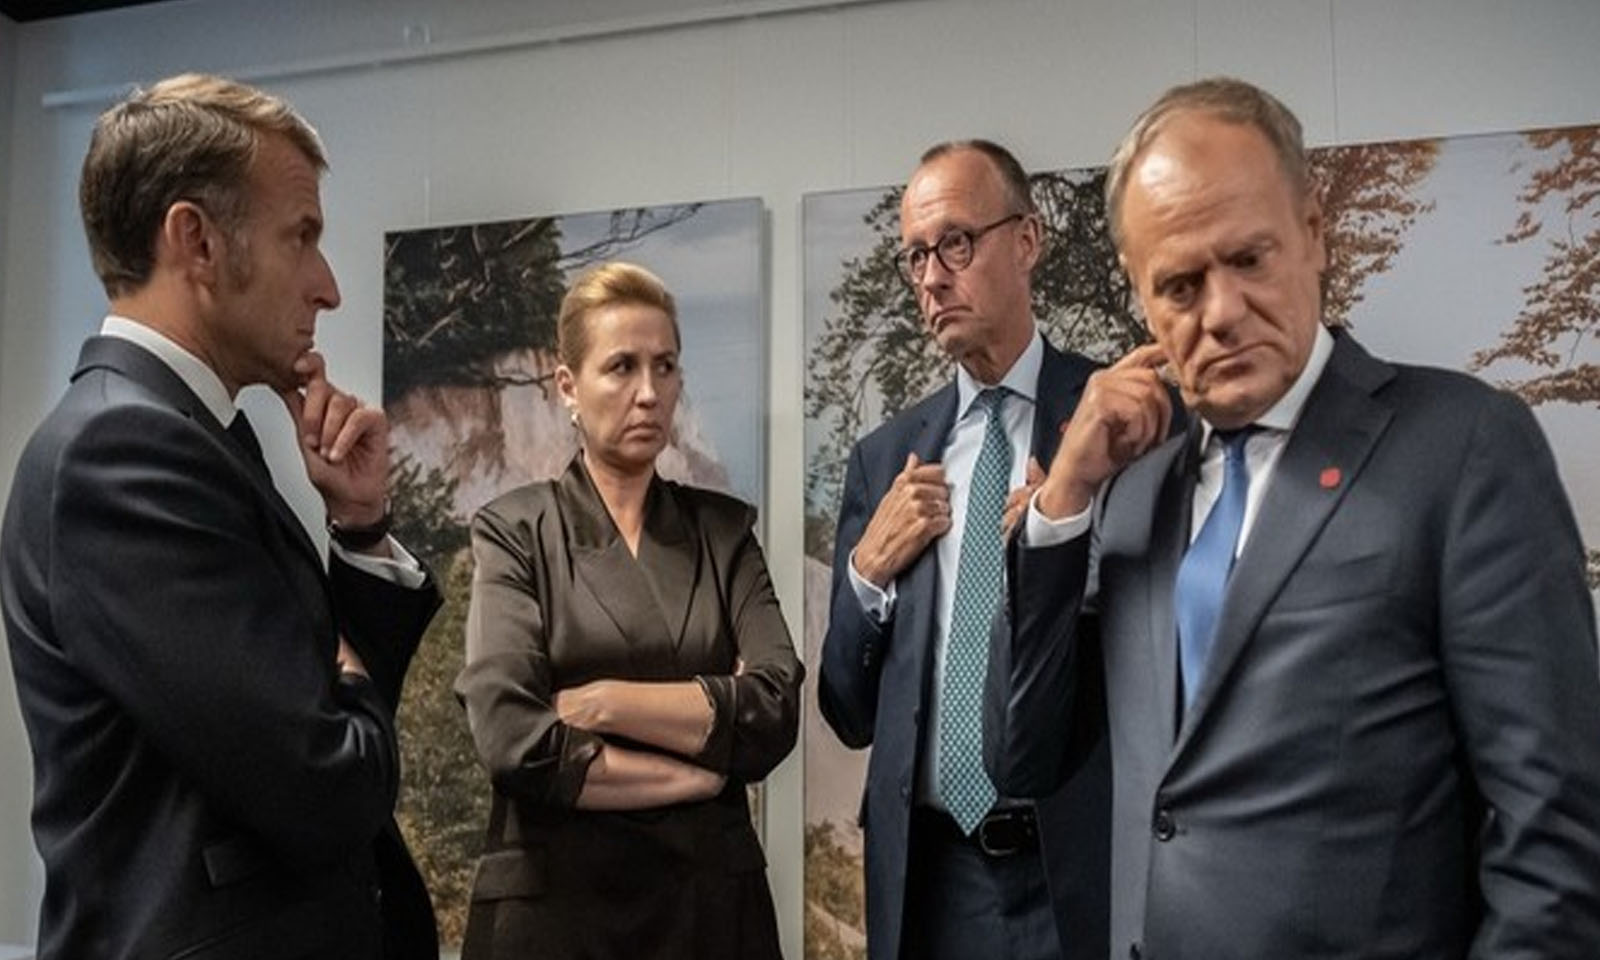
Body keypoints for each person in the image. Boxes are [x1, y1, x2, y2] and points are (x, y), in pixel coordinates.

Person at [986, 76, 1600, 959]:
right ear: (1140, 294)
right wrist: (1062, 501)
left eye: (1249, 260)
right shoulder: (1130, 483)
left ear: (1313, 231)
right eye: (1181, 285)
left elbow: (1556, 836)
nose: (1223, 313)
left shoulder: (1464, 447)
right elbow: (1022, 757)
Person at [0, 74, 443, 960]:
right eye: (302, 236)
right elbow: (328, 786)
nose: (327, 287)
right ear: (196, 241)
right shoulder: (120, 450)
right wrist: (339, 685)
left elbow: (312, 734)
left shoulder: (190, 438)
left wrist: (358, 529)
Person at [817, 140, 1114, 960]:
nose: (931, 278)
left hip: (1077, 870)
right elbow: (844, 710)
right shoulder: (885, 459)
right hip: (931, 886)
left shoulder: (1108, 418)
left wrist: (1067, 535)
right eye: (916, 256)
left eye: (954, 243)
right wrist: (867, 574)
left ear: (1027, 240)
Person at [455, 261, 802, 960]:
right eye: (621, 367)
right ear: (567, 387)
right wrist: (697, 771)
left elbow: (773, 709)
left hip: (708, 911)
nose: (649, 392)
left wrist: (603, 703)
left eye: (665, 366)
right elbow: (512, 738)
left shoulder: (724, 533)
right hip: (555, 911)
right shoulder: (514, 531)